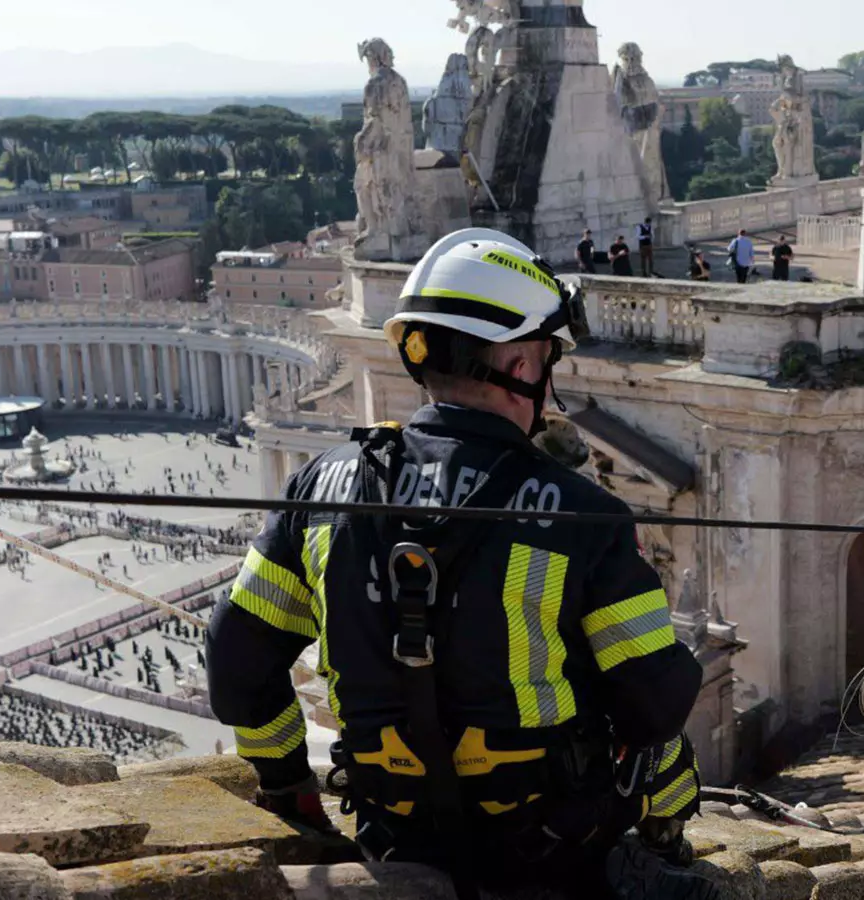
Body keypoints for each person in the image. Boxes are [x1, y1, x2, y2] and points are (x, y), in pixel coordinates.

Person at [206, 228, 715, 900]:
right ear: (521, 363)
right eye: (546, 358)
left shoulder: (321, 487)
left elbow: (235, 655)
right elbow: (657, 703)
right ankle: (664, 846)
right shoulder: (583, 515)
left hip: (393, 833)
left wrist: (288, 783)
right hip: (553, 852)